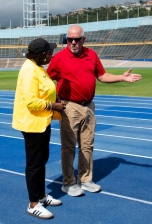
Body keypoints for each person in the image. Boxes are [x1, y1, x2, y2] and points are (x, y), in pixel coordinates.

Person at [47, 24, 142, 197]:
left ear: (84, 39)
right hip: (69, 107)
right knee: (68, 147)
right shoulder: (59, 58)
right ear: (66, 40)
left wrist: (121, 77)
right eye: (69, 39)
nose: (73, 42)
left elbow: (102, 75)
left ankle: (85, 180)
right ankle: (68, 183)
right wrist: (54, 101)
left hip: (89, 106)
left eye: (77, 39)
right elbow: (47, 81)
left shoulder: (91, 54)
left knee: (87, 145)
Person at [12, 38, 66, 219]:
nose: (52, 54)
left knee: (42, 159)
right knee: (35, 164)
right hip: (32, 123)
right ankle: (33, 203)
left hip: (42, 121)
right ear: (42, 54)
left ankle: (41, 195)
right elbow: (31, 102)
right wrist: (53, 106)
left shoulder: (37, 68)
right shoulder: (29, 70)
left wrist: (55, 101)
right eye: (50, 52)